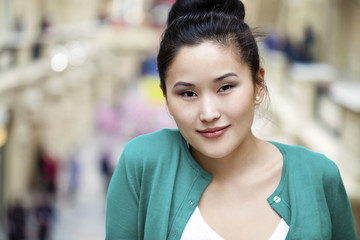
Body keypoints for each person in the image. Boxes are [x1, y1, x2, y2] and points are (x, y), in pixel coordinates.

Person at [105, 0, 357, 239]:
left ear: (258, 84)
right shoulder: (143, 164)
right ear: (166, 98)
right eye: (187, 93)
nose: (208, 113)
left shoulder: (319, 177)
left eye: (225, 87)